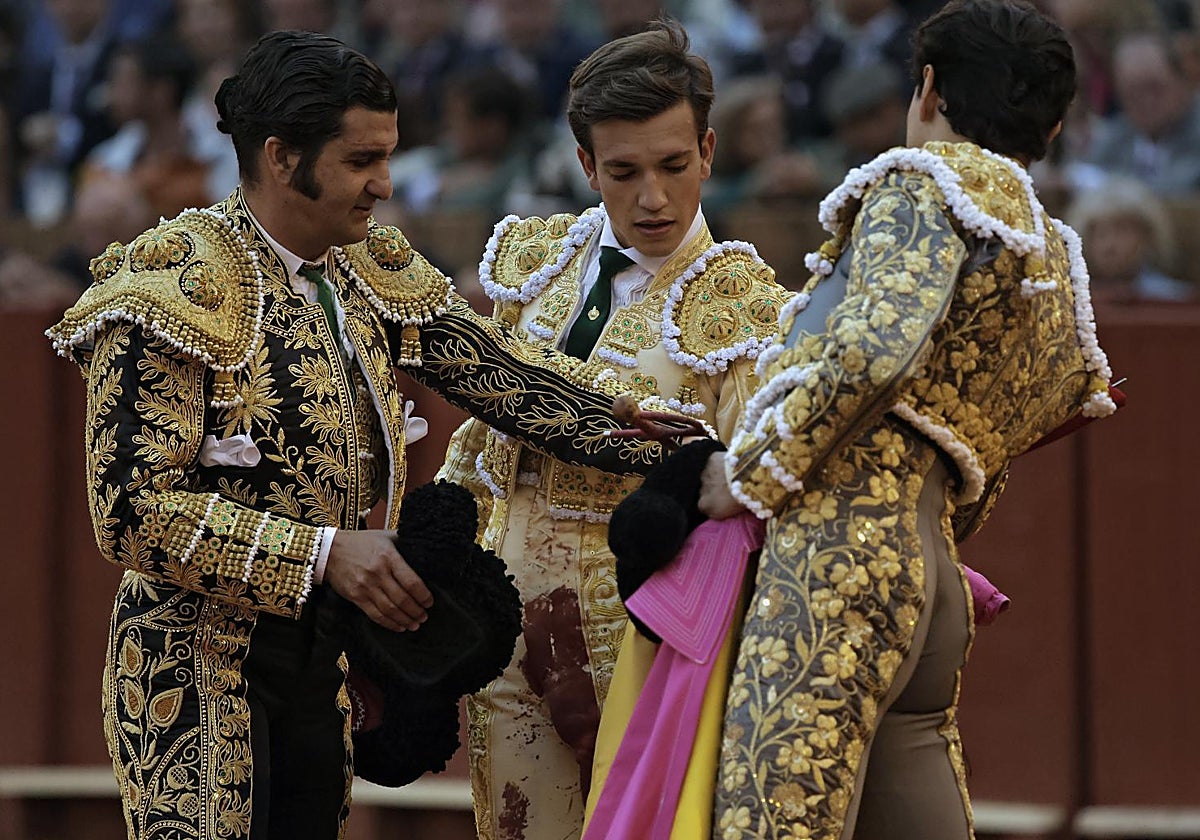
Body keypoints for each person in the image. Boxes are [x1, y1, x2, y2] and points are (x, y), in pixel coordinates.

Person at [46, 30, 674, 840]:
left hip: (327, 660)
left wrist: (641, 426)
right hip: (193, 665)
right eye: (361, 160)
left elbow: (496, 368)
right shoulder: (170, 288)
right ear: (281, 158)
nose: (384, 182)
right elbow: (129, 511)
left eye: (388, 156)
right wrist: (324, 553)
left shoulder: (364, 263)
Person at [686, 1, 1114, 837]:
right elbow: (1031, 414)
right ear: (1052, 127)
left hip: (837, 551)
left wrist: (748, 471)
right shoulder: (1053, 251)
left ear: (928, 90)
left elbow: (875, 348)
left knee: (778, 823)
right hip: (931, 573)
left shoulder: (924, 186)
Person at [434, 20, 792, 840]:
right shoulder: (537, 263)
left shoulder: (740, 305)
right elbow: (479, 443)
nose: (653, 198)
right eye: (624, 172)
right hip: (505, 633)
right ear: (587, 165)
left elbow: (746, 494)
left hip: (645, 642)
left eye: (673, 166)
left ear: (707, 150)